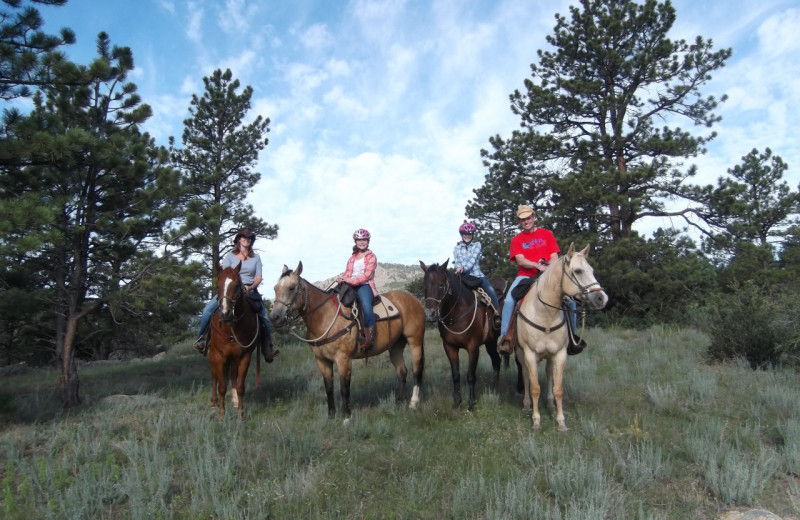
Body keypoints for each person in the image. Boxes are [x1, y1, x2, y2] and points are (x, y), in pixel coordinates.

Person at [193, 227, 279, 362]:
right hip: (230, 290)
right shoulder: (230, 256)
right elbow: (224, 274)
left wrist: (250, 287)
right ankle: (201, 339)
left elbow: (258, 277)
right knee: (207, 311)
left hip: (249, 291)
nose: (247, 240)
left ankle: (268, 347)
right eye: (244, 237)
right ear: (239, 240)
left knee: (264, 317)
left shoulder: (256, 258)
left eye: (249, 238)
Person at [498, 205, 561, 353]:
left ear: (533, 217)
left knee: (569, 301)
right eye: (522, 219)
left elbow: (554, 256)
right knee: (508, 301)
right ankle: (505, 338)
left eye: (528, 218)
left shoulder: (547, 234)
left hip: (547, 274)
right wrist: (536, 265)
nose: (526, 221)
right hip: (525, 276)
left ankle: (571, 338)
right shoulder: (516, 240)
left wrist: (548, 267)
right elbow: (520, 260)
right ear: (519, 222)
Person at [336, 228, 378, 350]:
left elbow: (367, 275)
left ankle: (370, 336)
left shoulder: (371, 257)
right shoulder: (352, 258)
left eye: (364, 239)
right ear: (356, 242)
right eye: (359, 240)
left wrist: (348, 280)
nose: (362, 242)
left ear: (368, 241)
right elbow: (348, 273)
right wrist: (342, 278)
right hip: (350, 284)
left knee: (366, 306)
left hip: (364, 285)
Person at [453, 222, 501, 324]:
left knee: (491, 290)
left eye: (469, 234)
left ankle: (497, 313)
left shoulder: (477, 245)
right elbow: (457, 262)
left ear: (472, 235)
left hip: (477, 276)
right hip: (463, 277)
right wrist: (457, 268)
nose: (467, 236)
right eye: (465, 234)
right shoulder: (456, 248)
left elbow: (472, 261)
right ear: (461, 235)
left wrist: (462, 268)